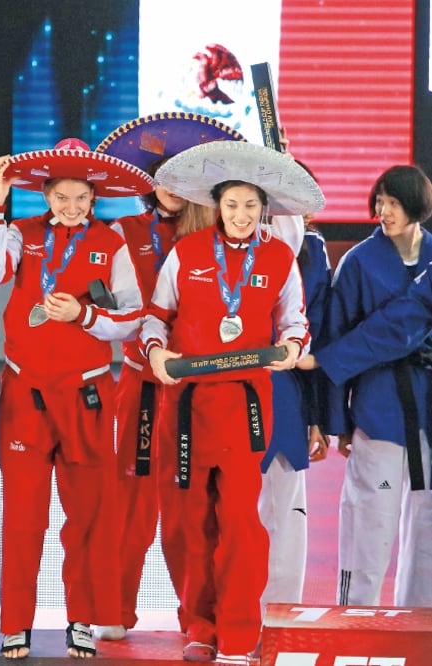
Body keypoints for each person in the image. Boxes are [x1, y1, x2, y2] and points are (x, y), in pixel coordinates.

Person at [139, 140, 323, 663]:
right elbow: (156, 318)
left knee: (242, 523)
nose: (240, 215)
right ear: (216, 206)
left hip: (247, 406)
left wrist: (292, 347)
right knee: (192, 521)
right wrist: (155, 353)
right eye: (231, 205)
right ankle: (199, 625)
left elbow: (295, 321)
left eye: (249, 205)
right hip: (189, 408)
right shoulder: (188, 252)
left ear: (263, 208)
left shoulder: (279, 256)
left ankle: (239, 636)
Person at [0, 140, 148, 659]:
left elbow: (132, 317)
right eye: (62, 196)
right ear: (46, 195)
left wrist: (85, 316)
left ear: (94, 198)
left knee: (89, 515)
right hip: (25, 392)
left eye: (81, 198)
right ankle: (15, 625)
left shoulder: (110, 244)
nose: (71, 207)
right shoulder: (19, 234)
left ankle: (81, 620)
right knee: (23, 516)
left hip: (89, 393)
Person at [96, 112, 244, 636]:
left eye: (182, 176)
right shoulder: (123, 231)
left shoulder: (219, 236)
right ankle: (113, 611)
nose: (170, 187)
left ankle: (198, 616)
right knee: (130, 496)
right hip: (139, 383)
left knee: (190, 507)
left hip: (199, 389)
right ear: (148, 181)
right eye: (162, 176)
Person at [303, 165, 432, 608]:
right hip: (379, 404)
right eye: (379, 201)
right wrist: (336, 420)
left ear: (416, 205)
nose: (383, 211)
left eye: (394, 202)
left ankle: (422, 625)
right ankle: (355, 618)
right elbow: (336, 335)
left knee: (428, 523)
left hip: (428, 403)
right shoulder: (359, 260)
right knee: (370, 520)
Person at [257, 169, 333, 617]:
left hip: (287, 390)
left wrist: (319, 417)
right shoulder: (227, 242)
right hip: (230, 387)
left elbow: (319, 333)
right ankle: (227, 617)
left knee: (285, 507)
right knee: (229, 506)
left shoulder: (314, 253)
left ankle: (281, 615)